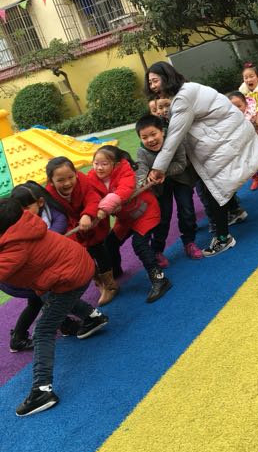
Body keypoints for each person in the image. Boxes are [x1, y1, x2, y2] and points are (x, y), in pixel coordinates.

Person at [145, 62, 258, 257]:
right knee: (214, 183)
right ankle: (235, 211)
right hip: (228, 133)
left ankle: (223, 238)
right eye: (150, 82)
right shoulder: (188, 89)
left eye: (155, 81)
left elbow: (175, 136)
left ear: (166, 77)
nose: (153, 86)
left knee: (212, 188)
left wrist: (158, 168)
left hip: (224, 137)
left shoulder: (183, 98)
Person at [0, 197, 108, 417]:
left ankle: (42, 390)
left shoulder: (15, 247)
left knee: (43, 331)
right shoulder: (23, 225)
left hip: (70, 277)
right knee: (50, 296)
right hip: (74, 266)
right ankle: (92, 317)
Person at [2, 182, 79, 353]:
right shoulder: (16, 225)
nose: (24, 212)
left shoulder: (45, 213)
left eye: (27, 207)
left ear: (41, 202)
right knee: (47, 298)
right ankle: (63, 324)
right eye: (21, 209)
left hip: (30, 274)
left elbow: (59, 221)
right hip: (23, 278)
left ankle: (19, 337)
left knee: (38, 302)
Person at [87, 146, 171, 304]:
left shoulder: (125, 171)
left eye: (104, 164)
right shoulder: (91, 178)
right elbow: (90, 197)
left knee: (139, 243)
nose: (99, 167)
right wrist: (90, 213)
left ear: (116, 165)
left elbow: (124, 191)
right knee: (110, 242)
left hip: (144, 212)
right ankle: (115, 271)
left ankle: (159, 279)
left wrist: (105, 207)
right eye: (96, 163)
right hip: (125, 218)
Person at [45, 157, 115, 306]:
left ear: (76, 173)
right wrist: (73, 231)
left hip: (92, 223)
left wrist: (87, 214)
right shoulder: (49, 195)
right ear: (51, 182)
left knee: (99, 249)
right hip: (72, 228)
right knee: (83, 256)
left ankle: (110, 285)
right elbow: (58, 216)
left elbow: (92, 198)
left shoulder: (83, 181)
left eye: (70, 177)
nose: (67, 183)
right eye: (60, 180)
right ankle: (99, 283)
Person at [135, 114, 203, 261]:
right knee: (163, 217)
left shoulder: (174, 142)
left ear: (162, 131)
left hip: (181, 179)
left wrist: (161, 171)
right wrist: (143, 182)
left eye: (153, 134)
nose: (150, 139)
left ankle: (189, 242)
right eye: (145, 137)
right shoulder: (142, 152)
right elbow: (141, 171)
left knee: (186, 209)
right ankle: (157, 249)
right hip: (160, 186)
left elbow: (181, 164)